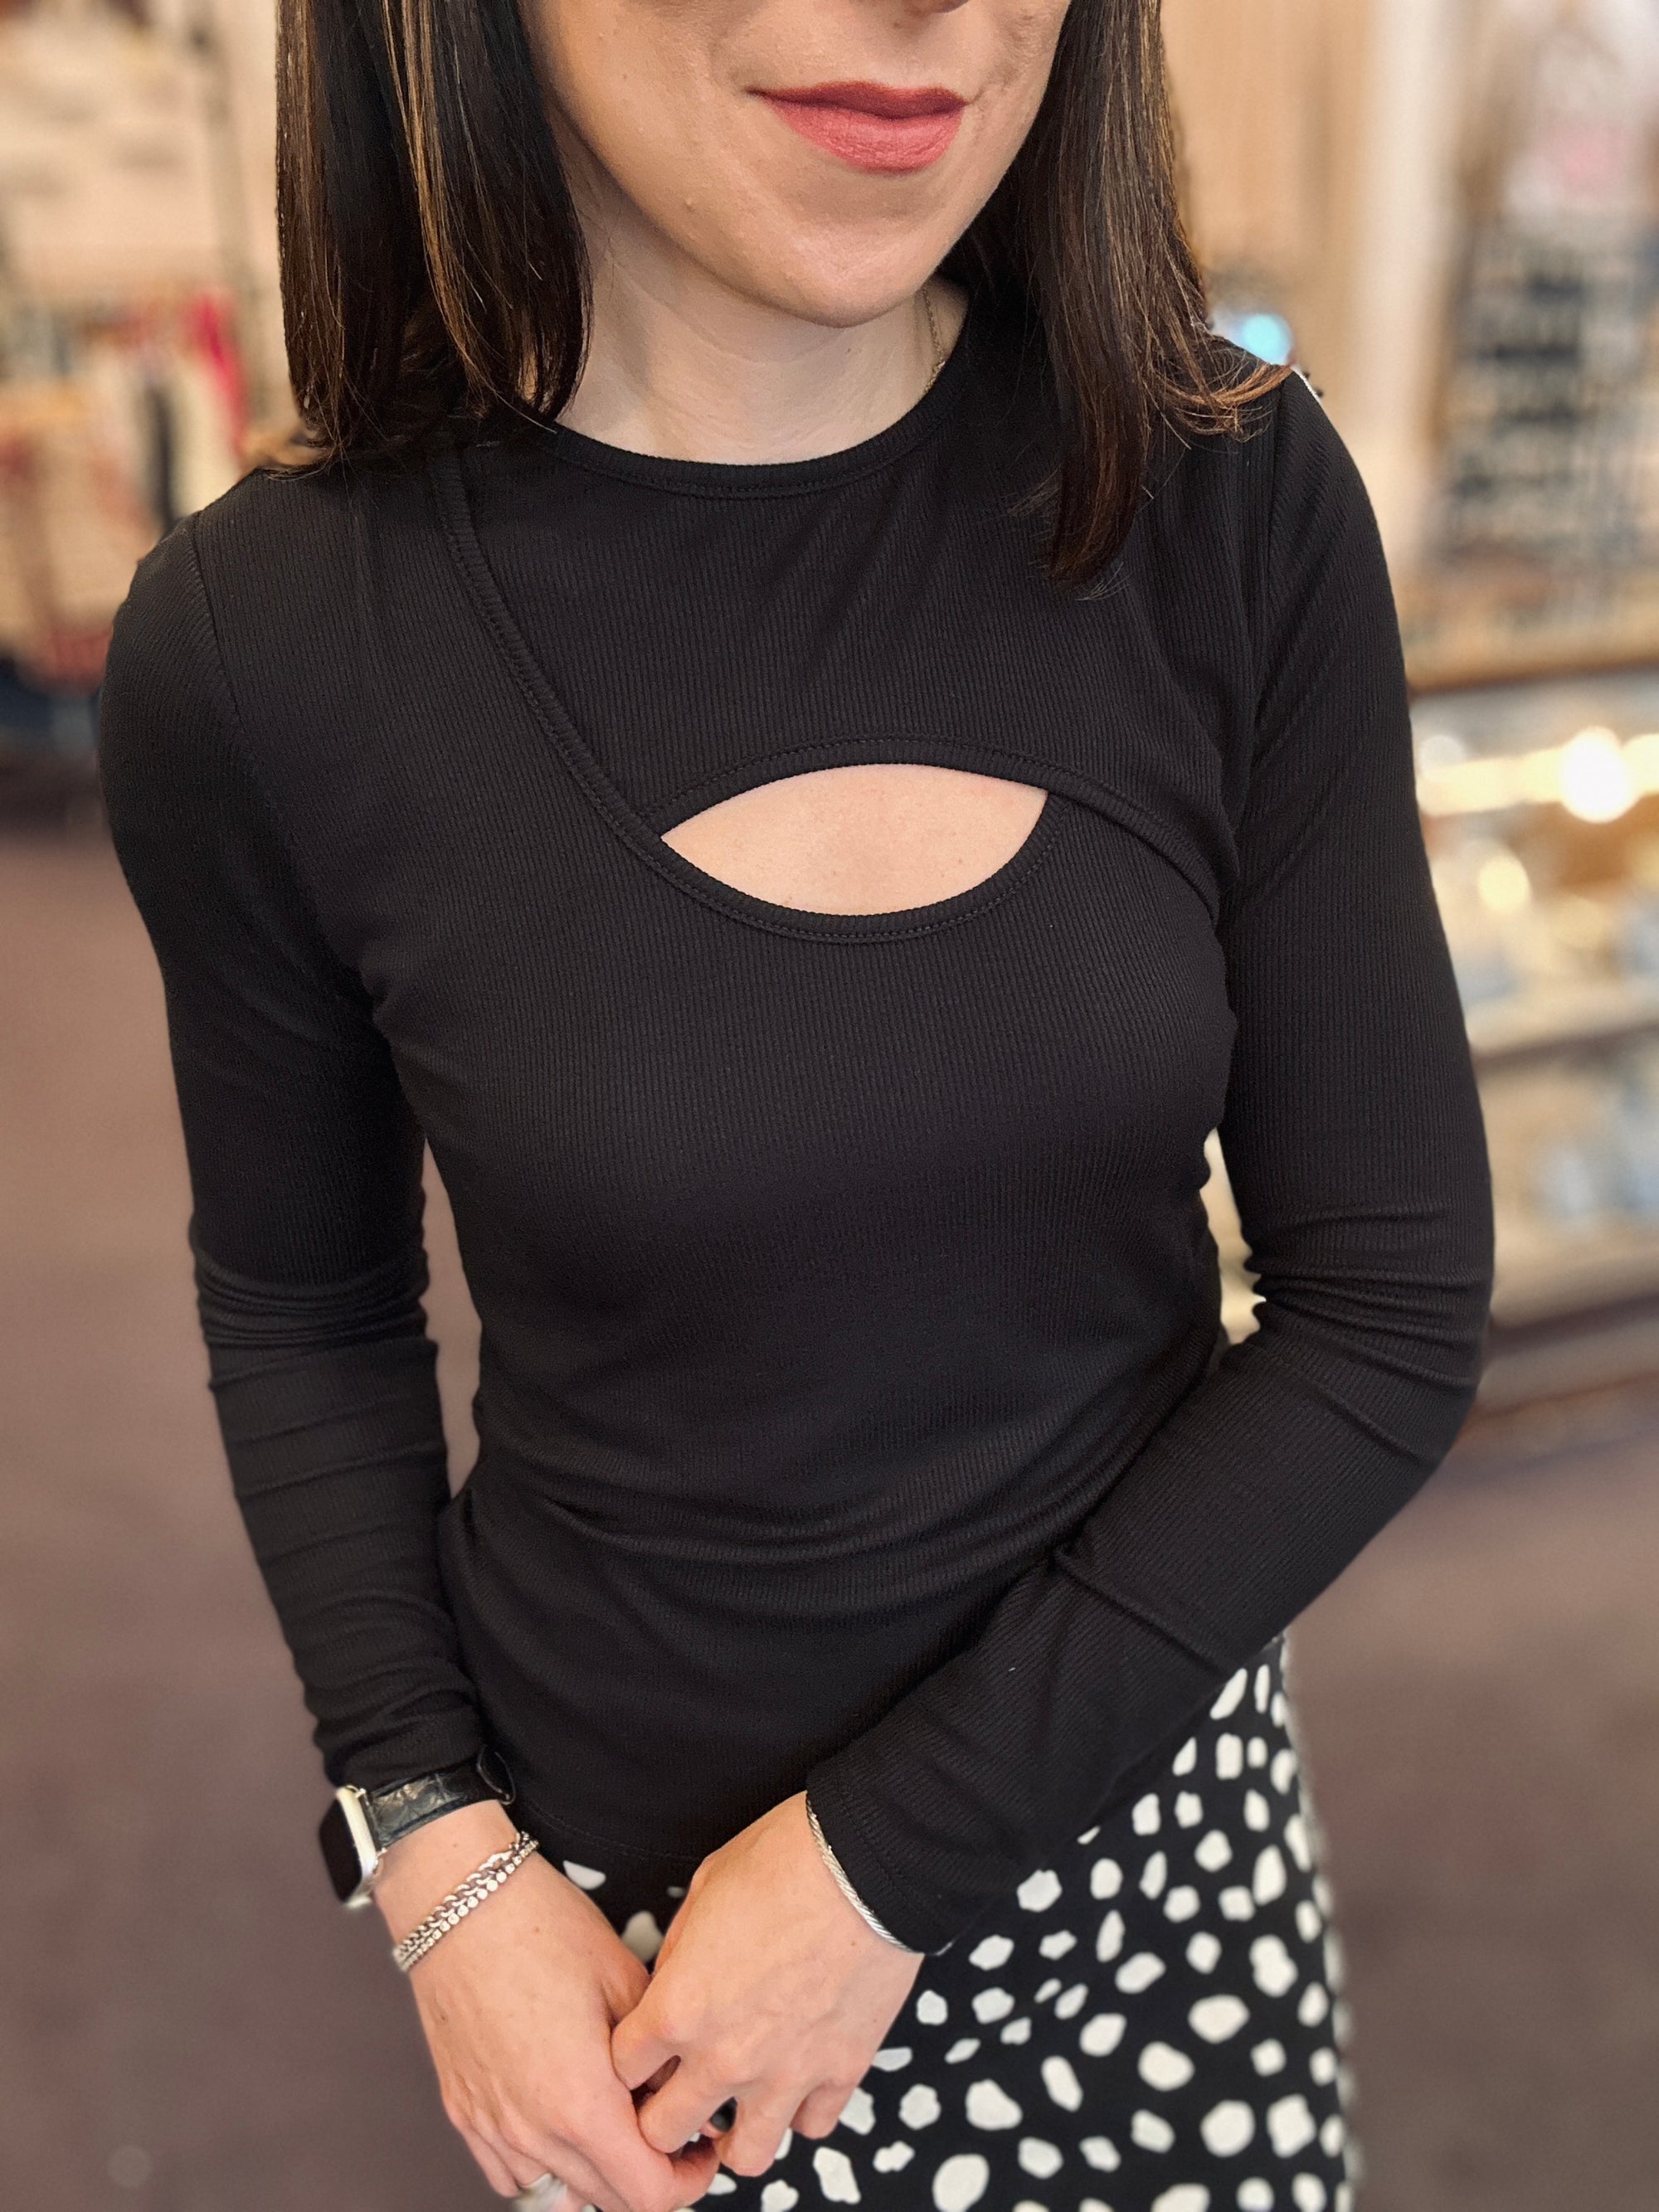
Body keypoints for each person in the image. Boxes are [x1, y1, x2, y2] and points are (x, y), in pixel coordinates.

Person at [96, 2, 1494, 2209]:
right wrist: (433, 1849)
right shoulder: (261, 641)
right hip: (632, 1979)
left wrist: (876, 1866)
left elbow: (1389, 1301)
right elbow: (307, 1306)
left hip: (1147, 1869)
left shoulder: (1224, 493)